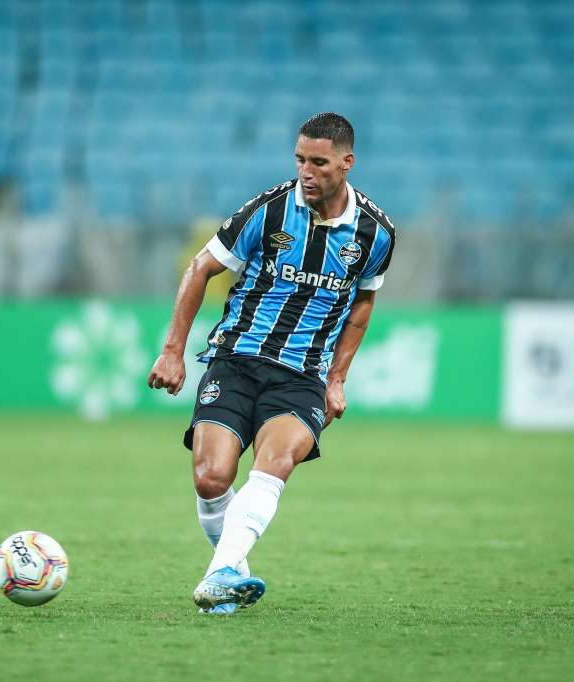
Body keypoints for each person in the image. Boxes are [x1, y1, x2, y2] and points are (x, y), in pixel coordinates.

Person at [147, 113, 395, 614]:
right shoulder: (268, 211)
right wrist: (173, 350)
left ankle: (219, 575)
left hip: (303, 374)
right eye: (300, 159)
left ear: (347, 163)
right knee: (211, 478)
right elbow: (200, 267)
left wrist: (337, 378)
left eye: (318, 162)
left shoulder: (376, 233)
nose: (306, 171)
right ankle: (230, 572)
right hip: (236, 359)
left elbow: (364, 302)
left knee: (275, 462)